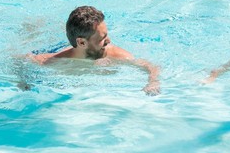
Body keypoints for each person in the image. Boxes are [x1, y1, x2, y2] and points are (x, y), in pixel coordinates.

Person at [28, 6, 160, 95]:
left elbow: (150, 66)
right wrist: (23, 81)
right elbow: (20, 59)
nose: (109, 41)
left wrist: (153, 82)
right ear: (81, 42)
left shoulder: (115, 54)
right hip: (58, 46)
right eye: (103, 38)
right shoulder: (55, 59)